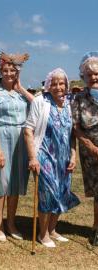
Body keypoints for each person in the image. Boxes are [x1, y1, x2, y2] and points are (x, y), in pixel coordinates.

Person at [24, 68, 80, 248]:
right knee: (47, 194)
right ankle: (42, 234)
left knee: (61, 193)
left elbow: (72, 134)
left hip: (63, 159)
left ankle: (53, 229)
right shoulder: (41, 101)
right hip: (44, 155)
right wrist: (33, 158)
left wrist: (73, 155)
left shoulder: (69, 104)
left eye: (61, 83)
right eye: (54, 83)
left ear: (66, 85)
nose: (58, 87)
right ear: (48, 84)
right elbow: (28, 130)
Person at [0, 52, 34, 242]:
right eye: (5, 70)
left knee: (16, 182)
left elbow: (37, 106)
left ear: (17, 72)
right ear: (0, 71)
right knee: (1, 182)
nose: (9, 73)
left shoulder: (22, 94)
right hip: (1, 136)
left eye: (13, 70)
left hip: (21, 138)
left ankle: (11, 223)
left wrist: (21, 88)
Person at [72, 52, 98, 245]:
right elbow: (75, 127)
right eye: (89, 74)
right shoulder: (79, 98)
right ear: (84, 77)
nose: (94, 77)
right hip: (90, 153)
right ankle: (96, 228)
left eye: (97, 73)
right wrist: (90, 145)